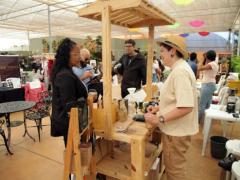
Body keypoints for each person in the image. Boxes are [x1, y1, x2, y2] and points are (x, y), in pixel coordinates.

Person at [144, 35, 199, 180]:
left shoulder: (180, 72)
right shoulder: (179, 69)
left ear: (173, 51)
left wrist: (159, 118)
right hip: (176, 130)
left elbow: (186, 107)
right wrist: (159, 109)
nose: (160, 55)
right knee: (174, 169)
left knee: (175, 172)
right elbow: (177, 101)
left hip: (176, 133)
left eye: (162, 51)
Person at [51, 38, 88, 147]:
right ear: (66, 55)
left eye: (79, 54)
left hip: (70, 121)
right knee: (72, 150)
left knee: (72, 149)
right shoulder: (65, 75)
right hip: (69, 123)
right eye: (76, 54)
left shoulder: (67, 71)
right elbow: (69, 107)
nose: (79, 57)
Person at [198, 50, 219, 122]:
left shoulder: (212, 64)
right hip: (209, 84)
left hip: (208, 85)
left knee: (202, 104)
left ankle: (198, 121)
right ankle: (206, 120)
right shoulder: (213, 63)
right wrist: (205, 59)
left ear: (207, 56)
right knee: (207, 104)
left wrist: (202, 59)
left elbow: (199, 68)